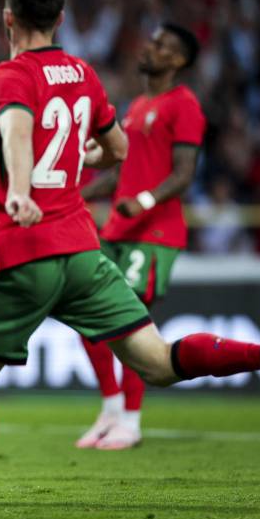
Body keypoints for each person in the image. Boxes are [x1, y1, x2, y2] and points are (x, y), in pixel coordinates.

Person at [0, 0, 260, 519]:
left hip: (21, 254)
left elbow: (17, 128)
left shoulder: (9, 75)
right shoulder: (82, 73)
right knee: (157, 362)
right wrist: (78, 157)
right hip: (82, 252)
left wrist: (20, 189)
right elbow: (117, 149)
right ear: (61, 18)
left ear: (8, 18)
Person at [76, 24, 206, 450]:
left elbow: (184, 173)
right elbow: (122, 174)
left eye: (161, 45)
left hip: (154, 234)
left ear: (179, 60)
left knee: (129, 325)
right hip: (118, 228)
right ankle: (111, 407)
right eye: (151, 41)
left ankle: (130, 421)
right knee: (85, 314)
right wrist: (77, 192)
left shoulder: (184, 105)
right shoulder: (137, 106)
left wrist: (146, 200)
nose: (149, 48)